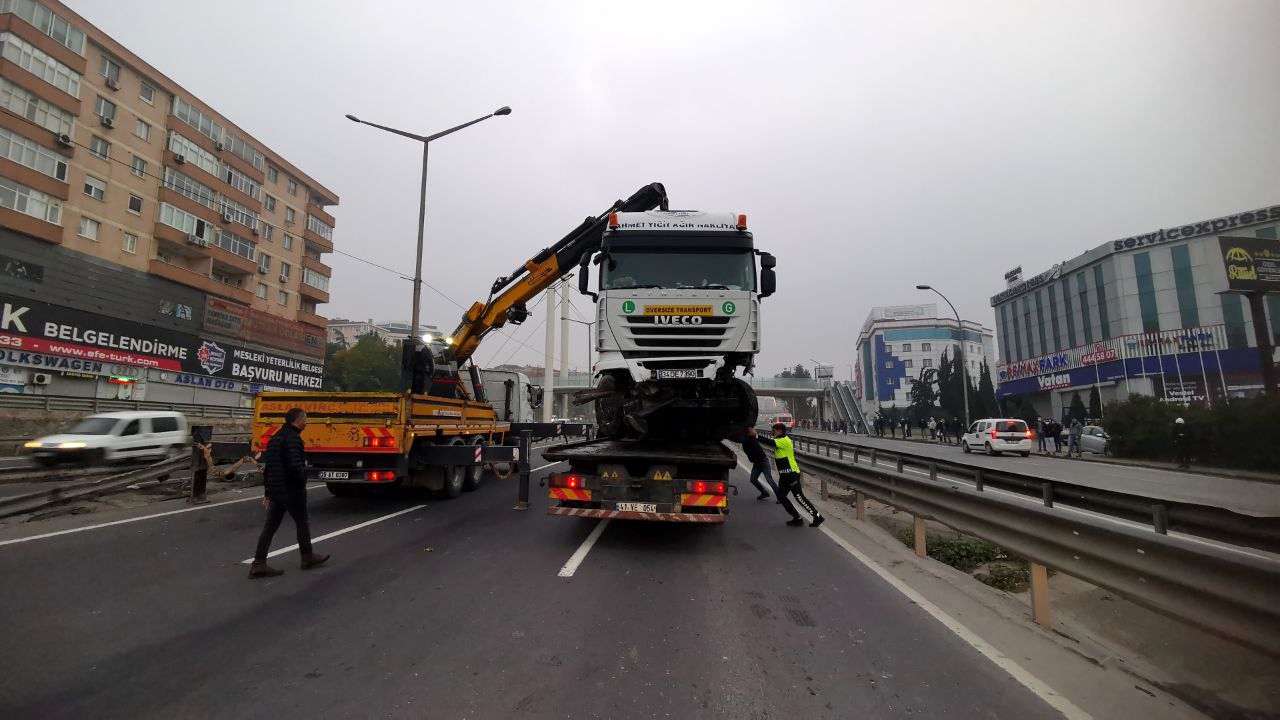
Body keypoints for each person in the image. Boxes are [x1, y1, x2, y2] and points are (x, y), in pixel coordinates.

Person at [249, 407, 329, 579]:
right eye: (305, 419)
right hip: (291, 490)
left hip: (276, 490)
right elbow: (295, 466)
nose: (306, 423)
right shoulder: (293, 439)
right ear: (298, 420)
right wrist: (302, 482)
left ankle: (258, 563)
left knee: (270, 527)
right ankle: (307, 556)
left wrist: (268, 492)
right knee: (302, 522)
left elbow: (268, 469)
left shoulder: (275, 438)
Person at [750, 424, 824, 527]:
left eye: (774, 430)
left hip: (791, 474)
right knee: (781, 497)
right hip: (784, 476)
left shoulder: (785, 440)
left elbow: (770, 442)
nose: (772, 432)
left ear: (780, 431)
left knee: (799, 497)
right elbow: (769, 442)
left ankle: (817, 516)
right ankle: (797, 518)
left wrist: (756, 435)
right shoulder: (779, 439)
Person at [739, 429, 781, 501]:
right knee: (753, 479)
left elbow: (740, 439)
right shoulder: (745, 440)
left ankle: (780, 498)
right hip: (757, 463)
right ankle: (764, 493)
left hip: (763, 462)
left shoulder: (751, 439)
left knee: (769, 480)